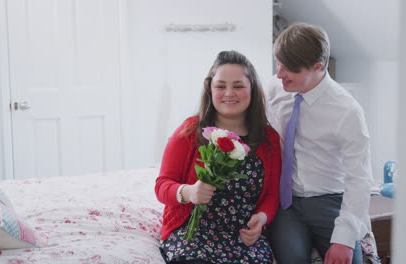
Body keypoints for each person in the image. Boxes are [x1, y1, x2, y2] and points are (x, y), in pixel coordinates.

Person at [155, 50, 281, 264]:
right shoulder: (189, 131)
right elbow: (162, 186)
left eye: (238, 86)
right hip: (192, 235)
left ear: (252, 89)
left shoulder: (269, 139)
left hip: (242, 239)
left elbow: (271, 195)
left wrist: (262, 218)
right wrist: (189, 192)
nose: (229, 93)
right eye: (221, 86)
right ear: (210, 90)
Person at [266, 23, 373, 264]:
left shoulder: (347, 111)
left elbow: (360, 178)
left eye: (289, 68)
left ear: (318, 66)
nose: (280, 73)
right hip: (287, 203)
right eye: (278, 63)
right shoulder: (275, 88)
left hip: (330, 200)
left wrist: (344, 239)